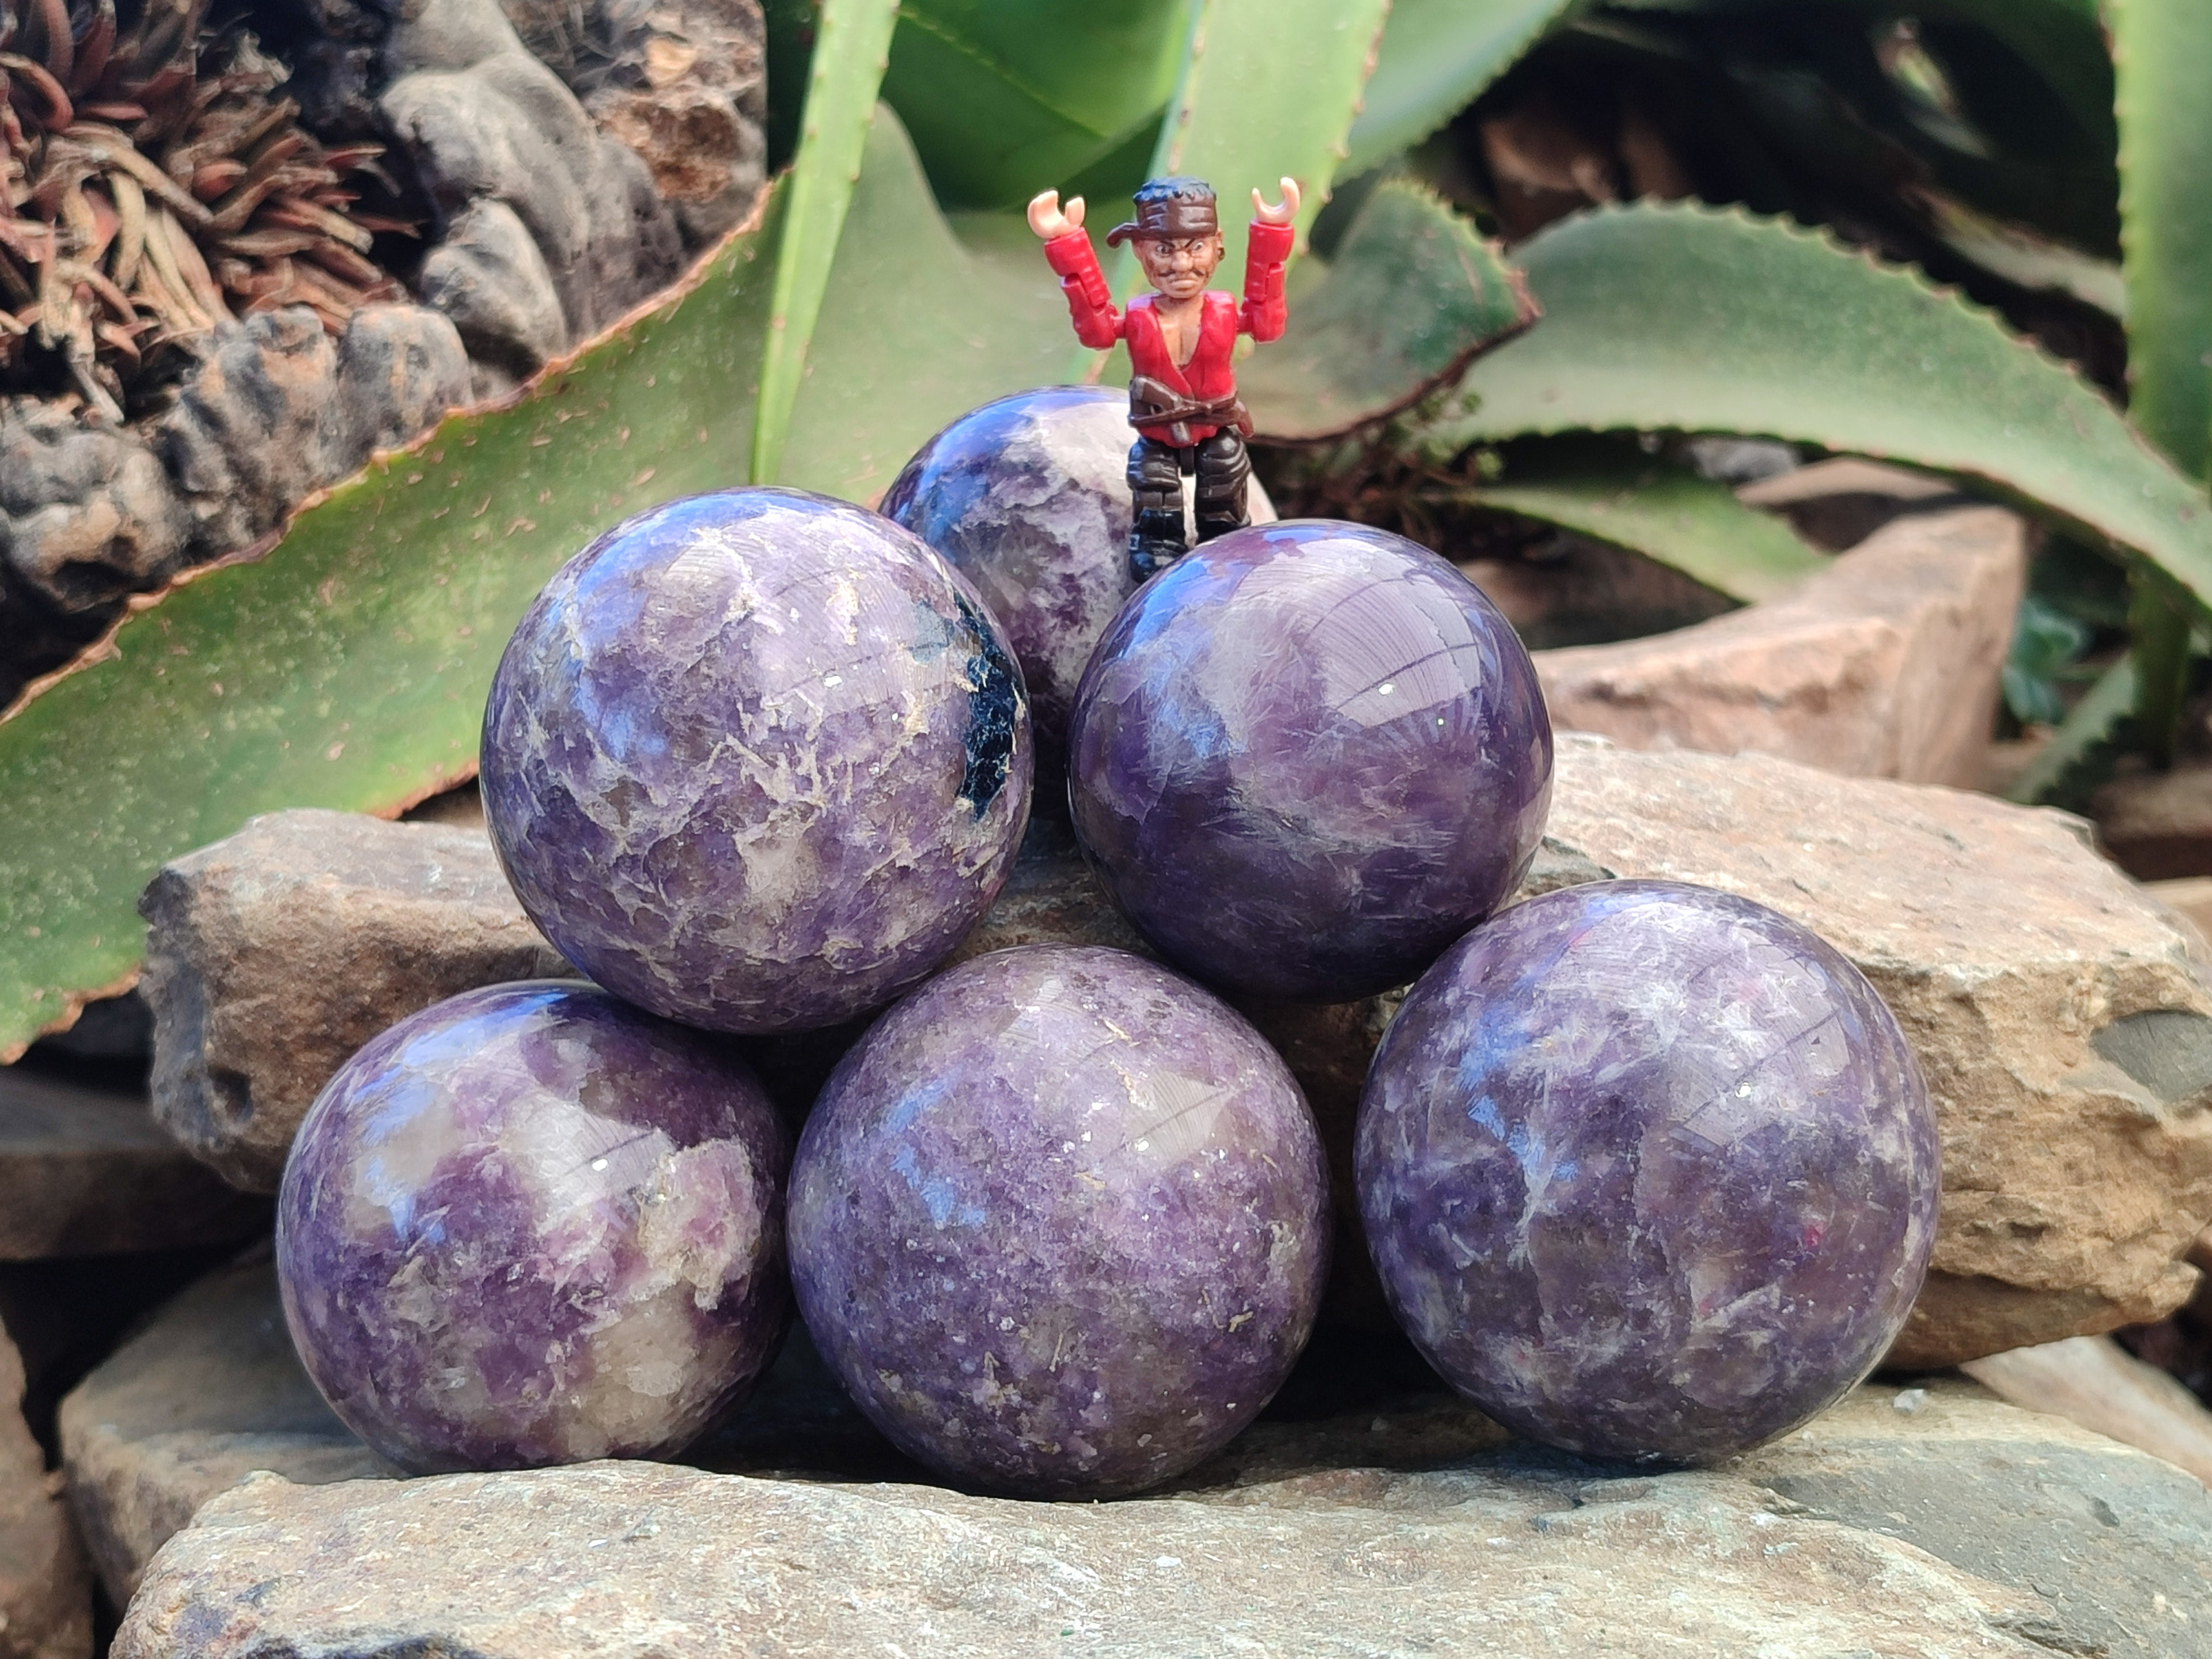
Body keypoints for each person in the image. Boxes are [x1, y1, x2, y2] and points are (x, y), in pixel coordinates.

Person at [1027, 174, 1300, 578]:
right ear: (1140, 251)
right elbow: (1098, 331)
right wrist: (1069, 243)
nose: (1181, 264)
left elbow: (1266, 322)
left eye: (1196, 248)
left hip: (1217, 432)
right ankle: (1159, 558)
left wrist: (1271, 233)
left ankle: (1225, 555)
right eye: (1164, 249)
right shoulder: (1139, 316)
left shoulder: (1224, 311)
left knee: (1224, 510)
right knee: (1156, 514)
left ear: (1218, 244)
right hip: (1156, 437)